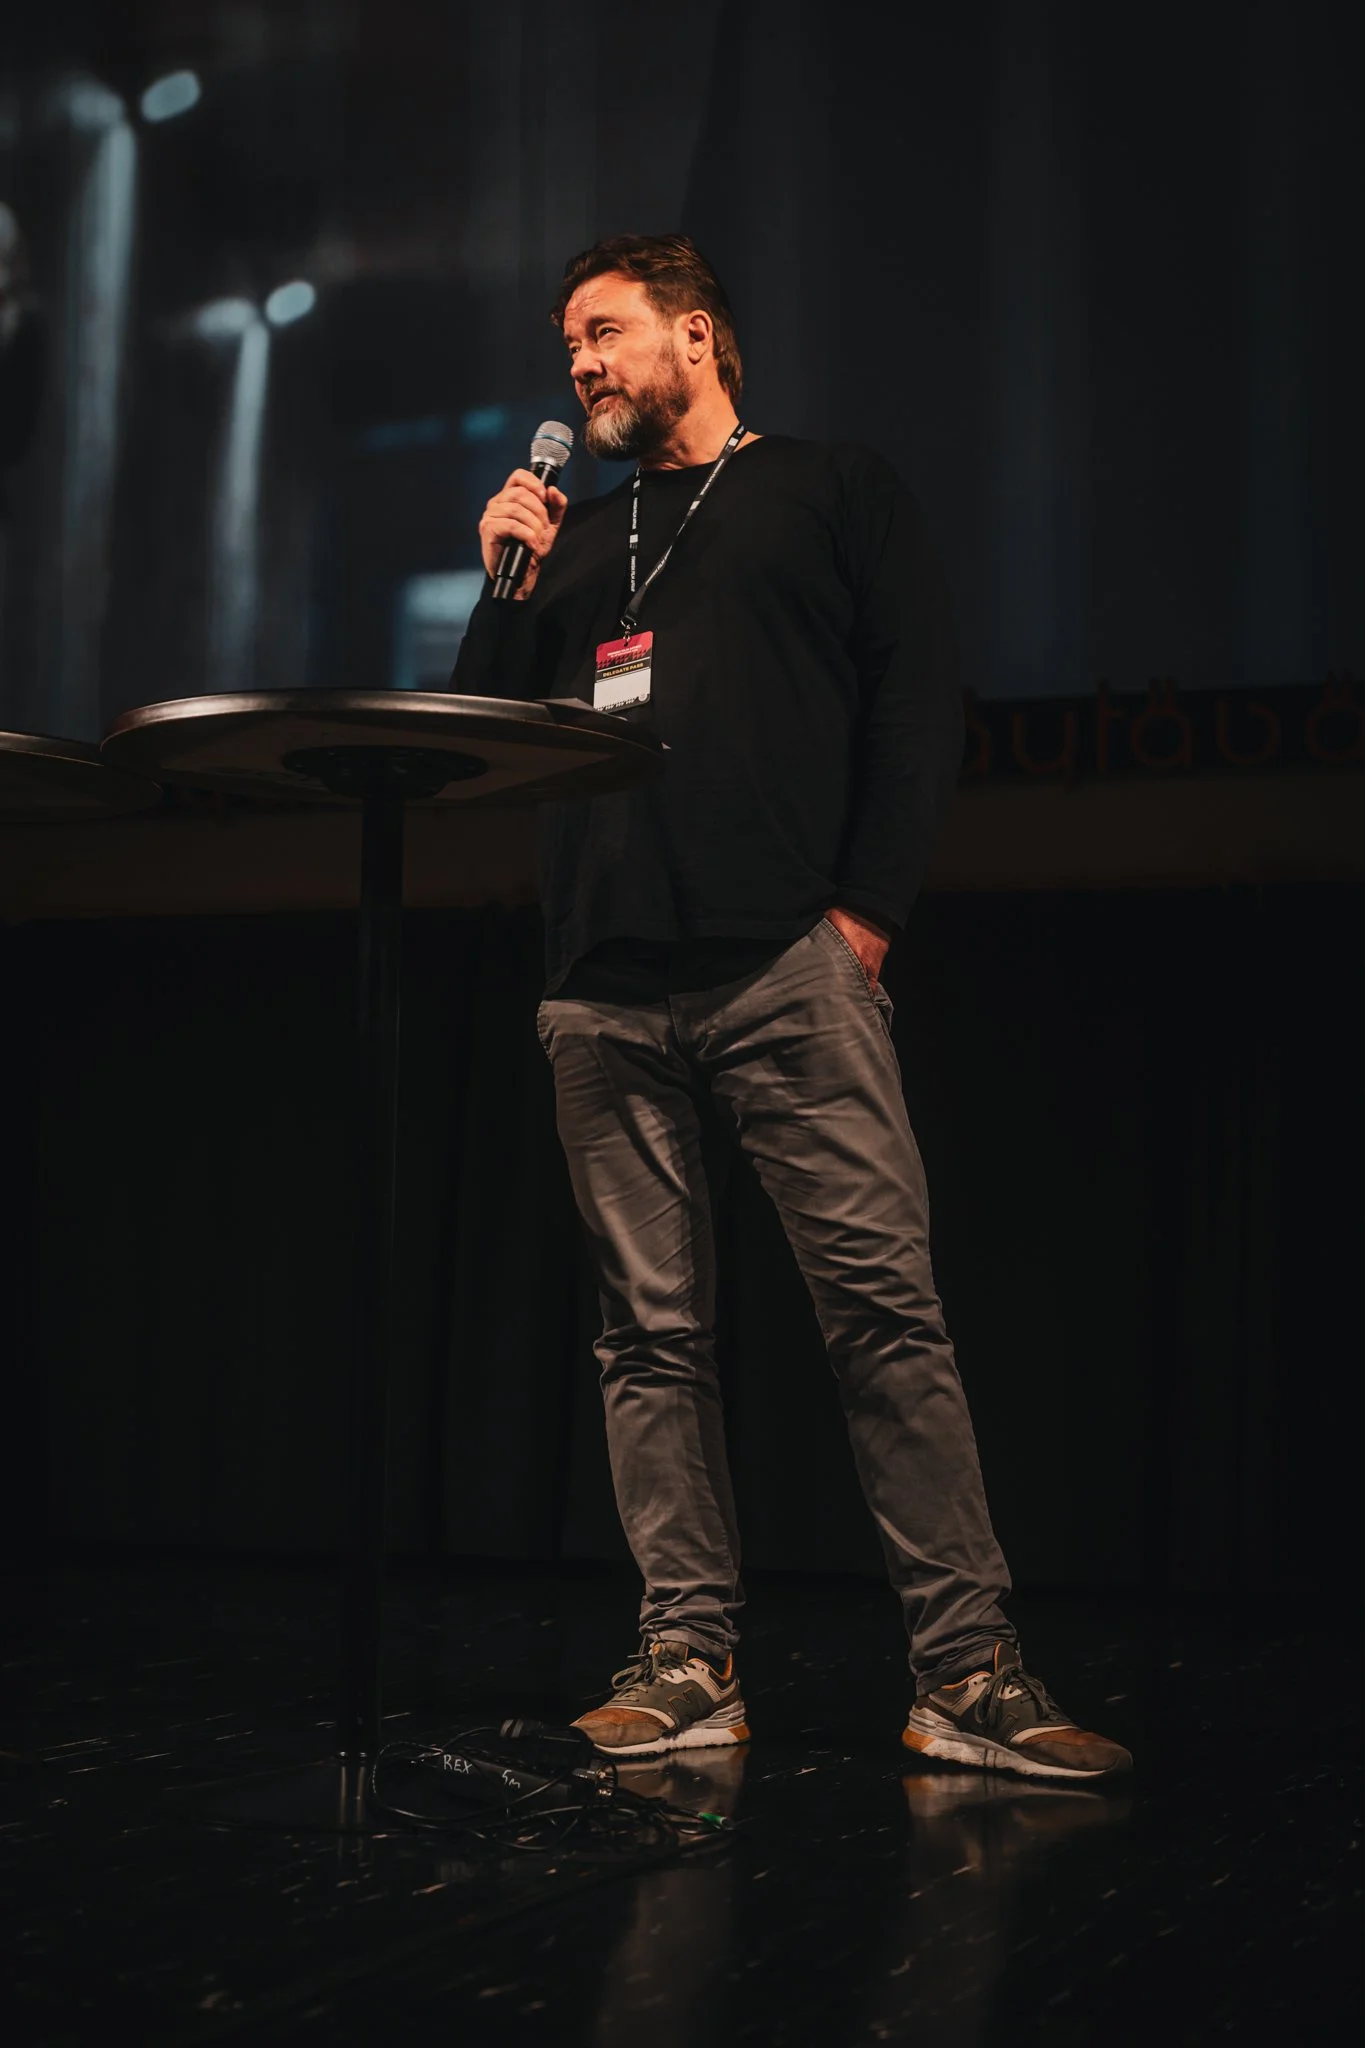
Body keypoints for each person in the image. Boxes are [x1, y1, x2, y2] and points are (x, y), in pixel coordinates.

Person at [454, 234, 1130, 1781]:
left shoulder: (831, 489)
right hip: (601, 986)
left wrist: (866, 921)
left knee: (886, 1318)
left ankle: (966, 1674)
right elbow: (487, 732)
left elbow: (915, 706)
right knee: (647, 1340)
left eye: (605, 332)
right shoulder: (572, 536)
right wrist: (506, 565)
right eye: (568, 343)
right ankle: (687, 1661)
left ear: (698, 337)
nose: (580, 364)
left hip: (785, 965)